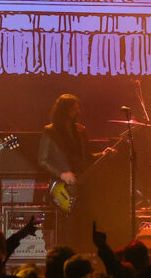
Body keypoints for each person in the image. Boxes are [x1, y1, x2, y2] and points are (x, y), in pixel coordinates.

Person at [40, 94, 110, 249]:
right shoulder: (50, 131)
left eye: (78, 109)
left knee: (84, 223)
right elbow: (42, 160)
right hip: (61, 186)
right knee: (65, 226)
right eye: (74, 109)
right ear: (65, 110)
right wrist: (61, 174)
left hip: (82, 184)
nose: (77, 112)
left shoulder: (80, 131)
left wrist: (104, 154)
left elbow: (87, 157)